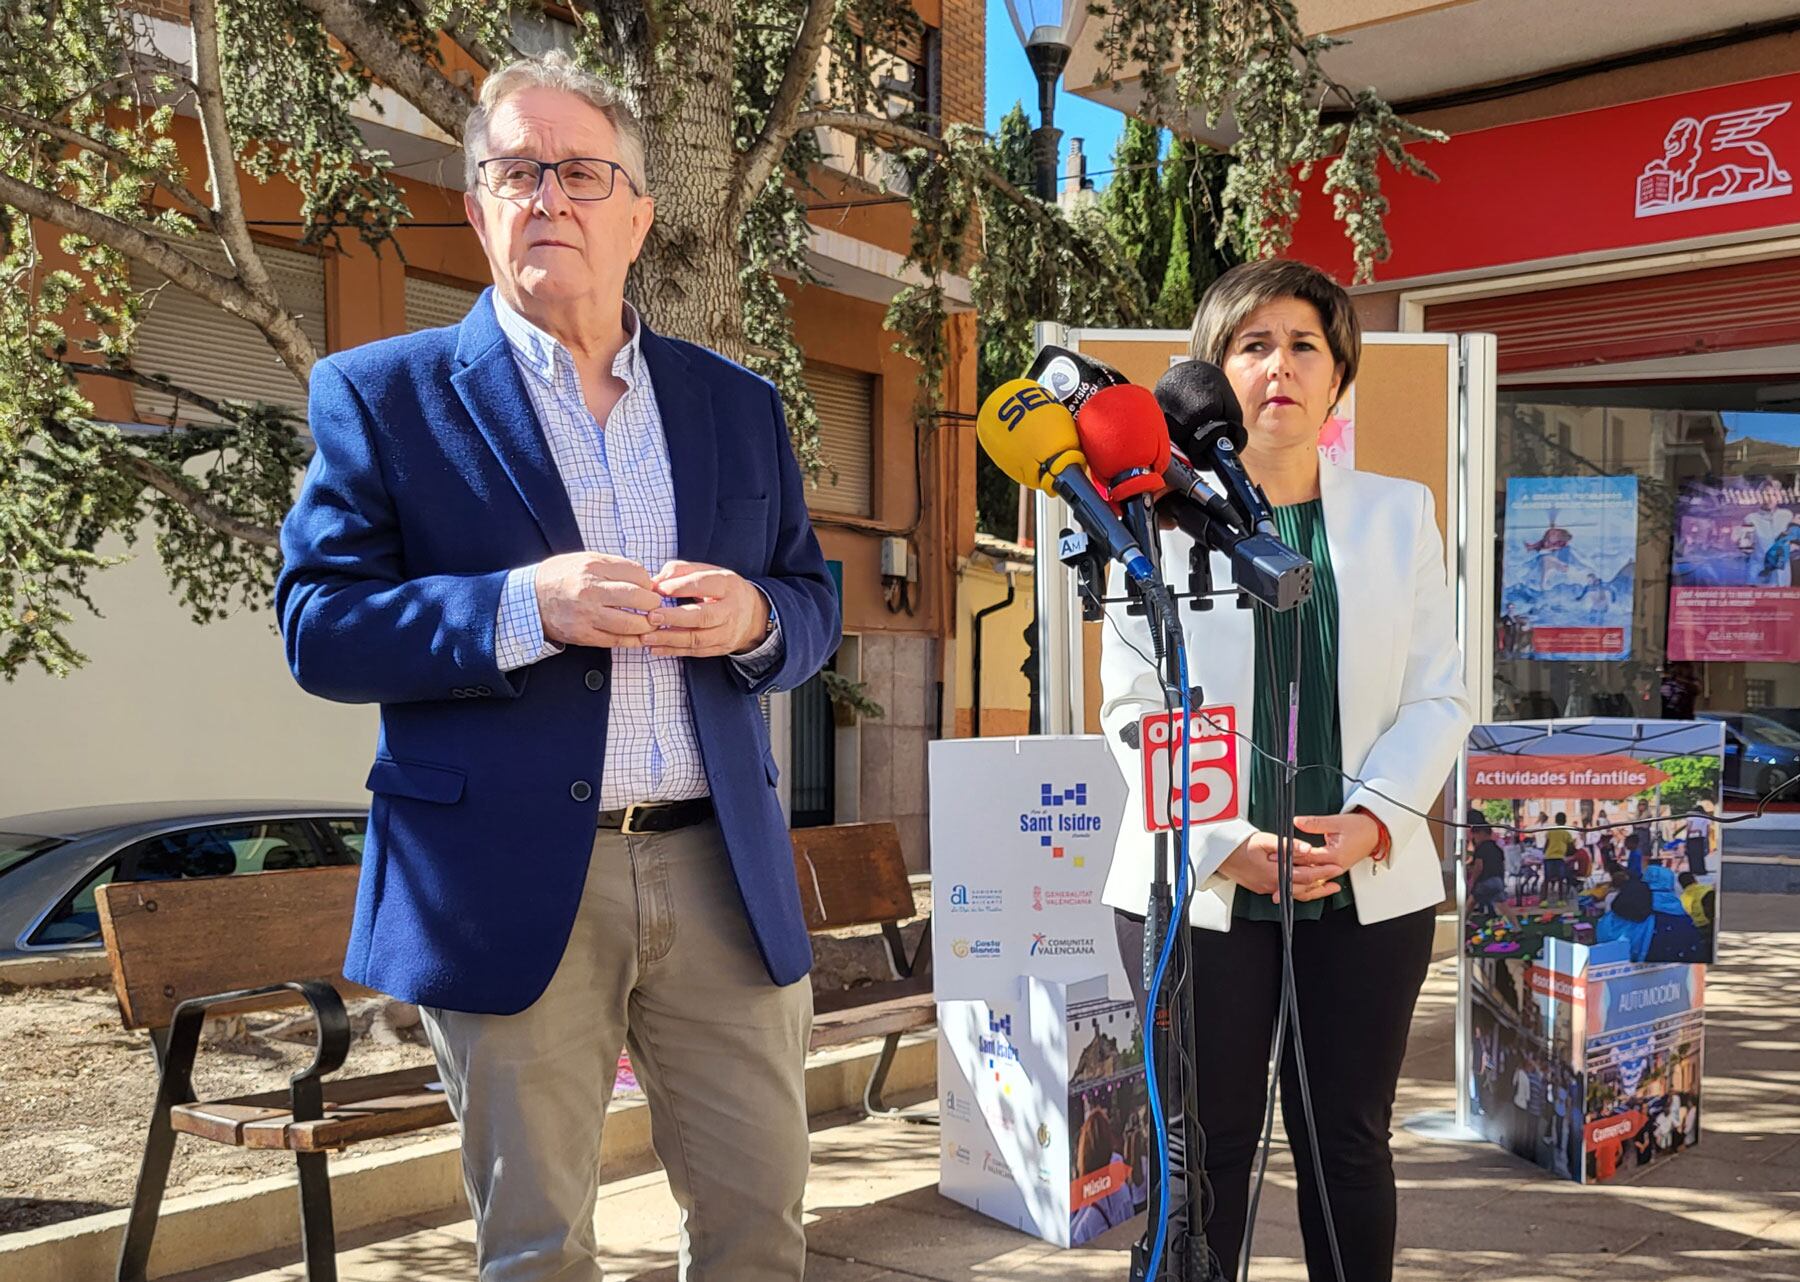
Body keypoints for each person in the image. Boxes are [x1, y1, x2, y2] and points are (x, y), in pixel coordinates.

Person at [275, 53, 839, 1282]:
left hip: (719, 876)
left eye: (581, 171)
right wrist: (521, 607)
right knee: (536, 1251)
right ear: (478, 209)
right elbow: (319, 625)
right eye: (516, 171)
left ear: (638, 212)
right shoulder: (381, 397)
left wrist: (754, 619)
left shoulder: (737, 405)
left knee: (760, 1231)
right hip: (506, 881)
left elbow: (813, 601)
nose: (549, 197)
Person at [1100, 260, 1473, 1281]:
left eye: (1304, 344)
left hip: (1363, 884)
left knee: (1345, 1145)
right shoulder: (1151, 522)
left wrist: (1373, 821)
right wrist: (1227, 844)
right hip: (1199, 887)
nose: (1280, 366)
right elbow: (1137, 707)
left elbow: (1439, 693)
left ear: (1339, 375)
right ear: (1215, 373)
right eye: (1252, 344)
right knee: (1203, 1149)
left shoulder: (1401, 514)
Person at [1469, 824, 1507, 912]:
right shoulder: (1497, 848)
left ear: (1482, 834)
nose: (1474, 838)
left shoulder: (1481, 848)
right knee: (1502, 905)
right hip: (1497, 880)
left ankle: (1462, 922)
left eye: (1476, 834)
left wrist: (1473, 880)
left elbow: (1479, 866)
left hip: (1485, 880)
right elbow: (1502, 865)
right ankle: (1515, 925)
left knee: (1471, 901)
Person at [1543, 812, 1575, 901]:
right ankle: (1560, 899)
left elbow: (1546, 845)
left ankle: (1544, 900)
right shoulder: (1566, 833)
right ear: (1565, 821)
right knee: (1560, 878)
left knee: (1547, 879)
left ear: (1555, 820)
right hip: (1560, 857)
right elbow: (1571, 847)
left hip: (1548, 857)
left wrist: (1544, 853)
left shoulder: (1550, 831)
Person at [1685, 800, 1714, 877]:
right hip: (1701, 837)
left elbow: (1688, 827)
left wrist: (1686, 836)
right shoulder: (1705, 817)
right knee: (1700, 854)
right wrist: (1706, 837)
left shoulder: (1691, 817)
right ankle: (1701, 870)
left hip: (1691, 836)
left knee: (1692, 854)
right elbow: (1708, 829)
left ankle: (1693, 870)